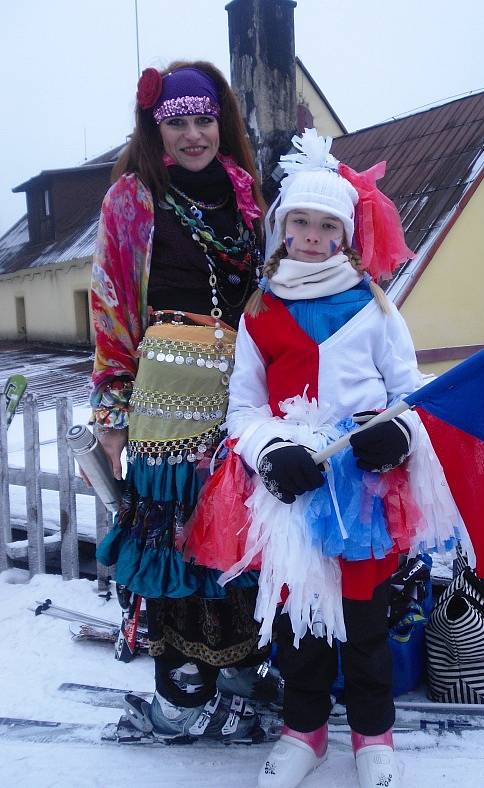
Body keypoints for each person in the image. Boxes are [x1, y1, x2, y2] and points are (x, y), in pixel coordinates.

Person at [186, 129, 456, 787]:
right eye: (298, 221)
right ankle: (302, 733)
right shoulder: (259, 309)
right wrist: (270, 449)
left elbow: (411, 394)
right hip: (292, 495)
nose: (310, 234)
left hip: (362, 492)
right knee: (299, 632)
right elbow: (243, 409)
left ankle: (373, 737)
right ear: (281, 227)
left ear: (345, 232)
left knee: (366, 628)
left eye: (324, 224)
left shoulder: (375, 308)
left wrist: (401, 436)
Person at [90, 60, 277, 743]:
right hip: (166, 400)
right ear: (156, 128)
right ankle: (181, 688)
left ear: (220, 123)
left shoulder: (248, 197)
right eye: (178, 123)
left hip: (245, 397)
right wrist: (111, 412)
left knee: (235, 539)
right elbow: (110, 306)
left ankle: (240, 672)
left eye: (204, 120)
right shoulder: (132, 201)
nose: (194, 135)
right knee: (173, 538)